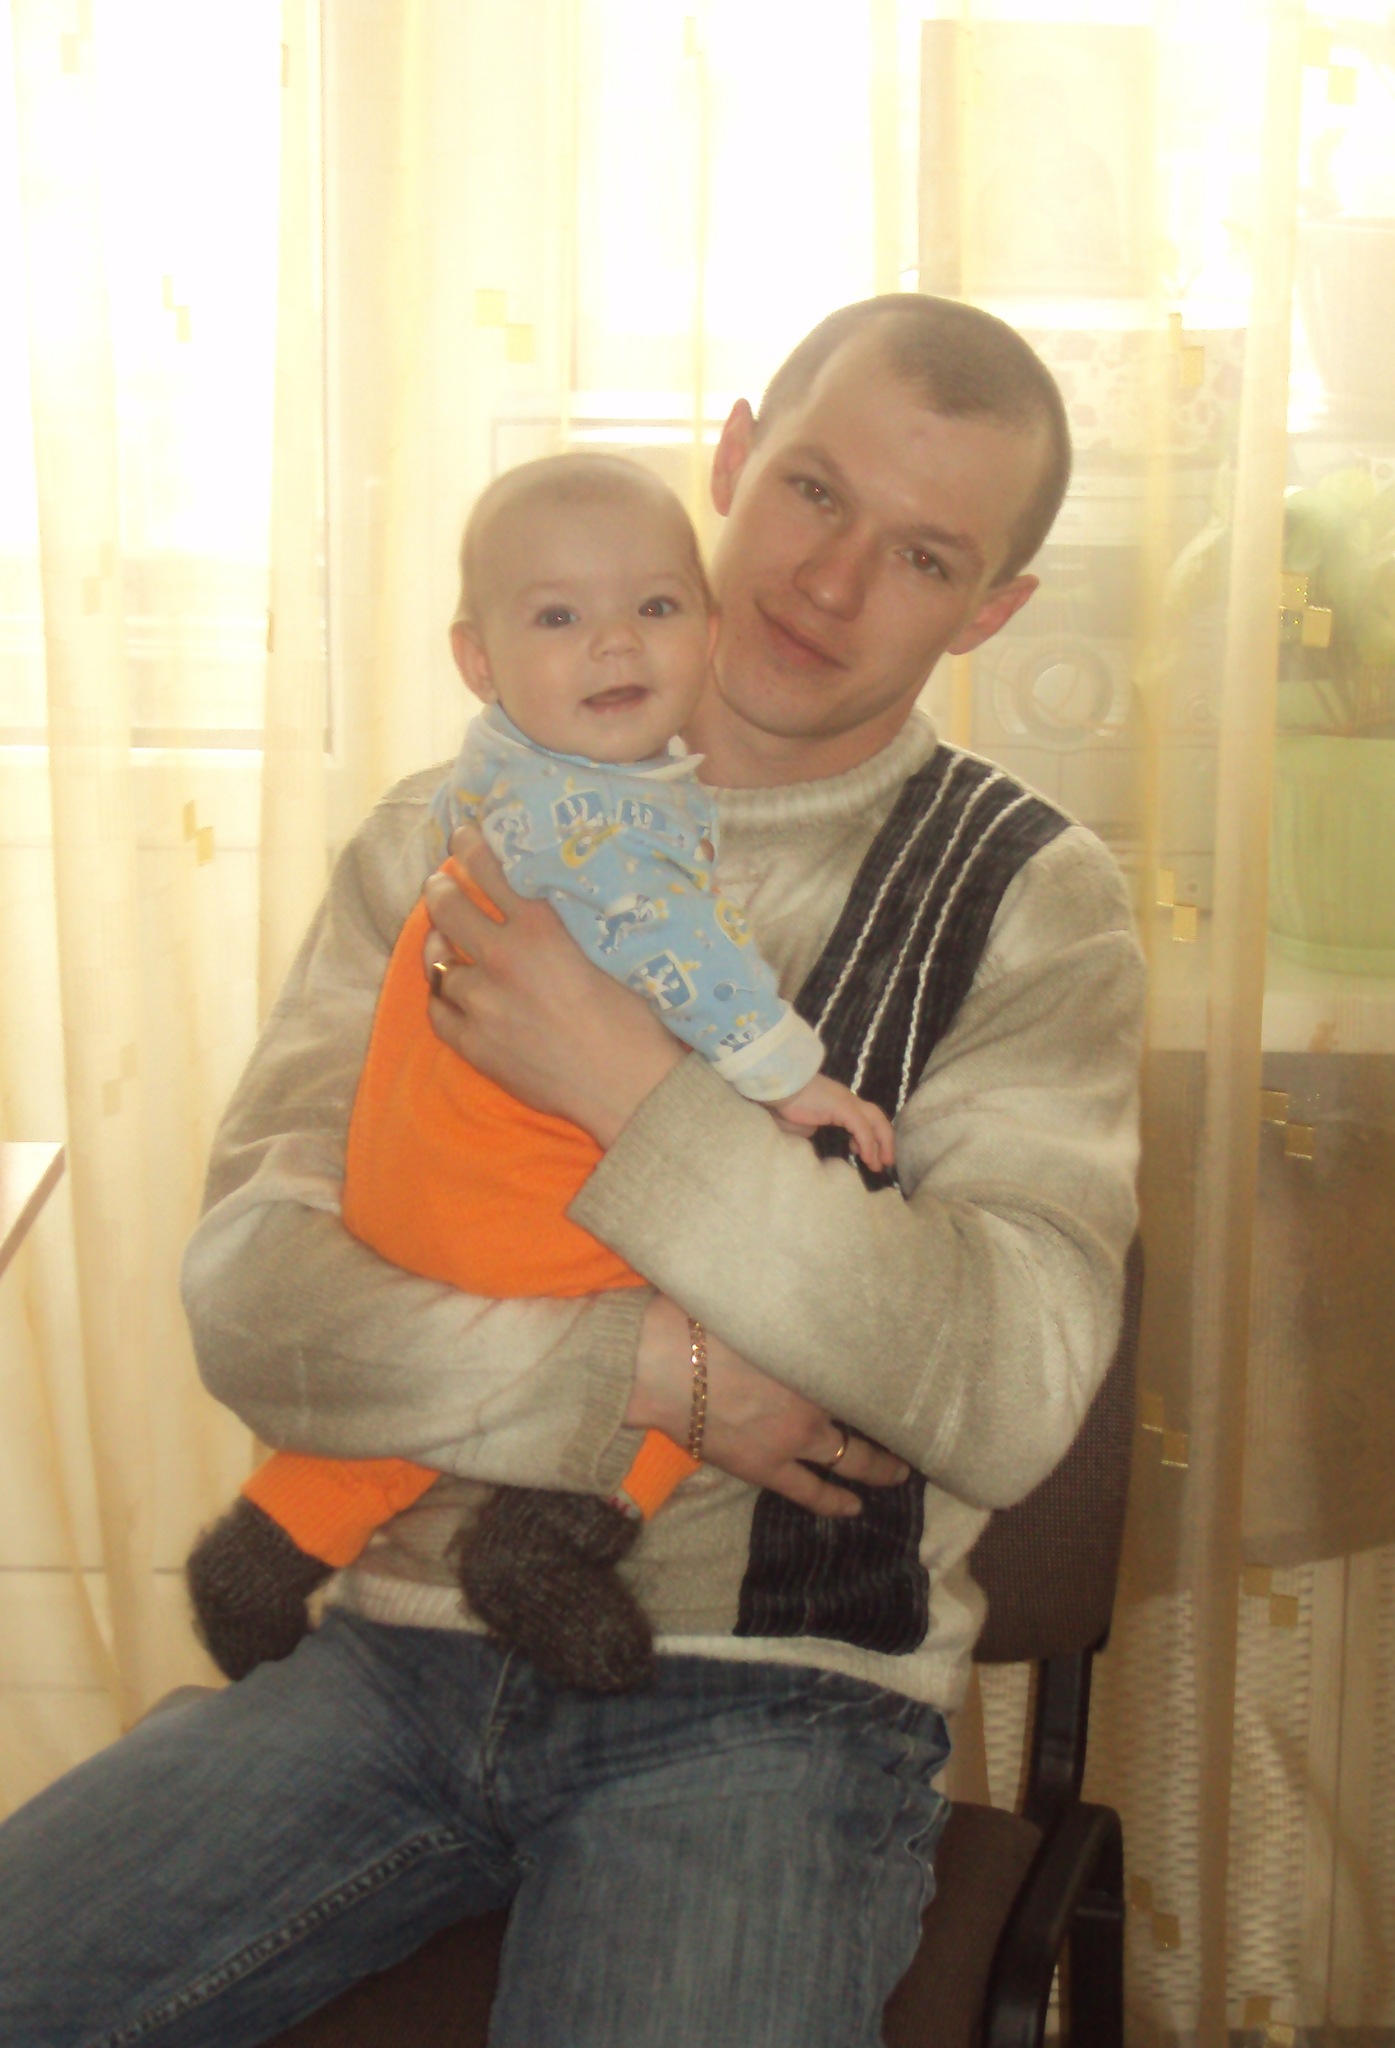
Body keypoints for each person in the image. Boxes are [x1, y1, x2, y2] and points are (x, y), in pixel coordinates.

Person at [0, 294, 1144, 2048]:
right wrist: (653, 1373)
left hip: (773, 1706)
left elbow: (998, 1386)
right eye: (815, 491)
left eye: (922, 556)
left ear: (989, 610)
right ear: (734, 456)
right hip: (381, 1654)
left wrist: (628, 1083)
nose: (831, 582)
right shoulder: (441, 839)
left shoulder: (1030, 898)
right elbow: (255, 1296)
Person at [186, 453, 894, 1695]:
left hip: (415, 1201)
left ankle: (272, 1538)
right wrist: (791, 1078)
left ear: (708, 627)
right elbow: (687, 962)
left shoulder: (498, 773)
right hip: (522, 1196)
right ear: (479, 658)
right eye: (560, 616)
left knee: (432, 1390)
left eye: (654, 607)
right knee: (722, 1303)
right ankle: (550, 1536)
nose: (615, 643)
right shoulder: (605, 822)